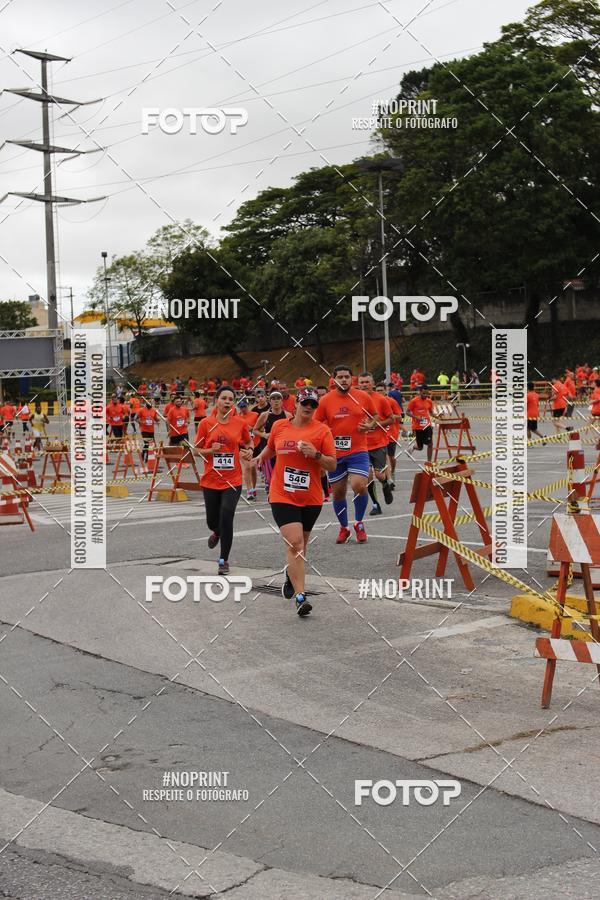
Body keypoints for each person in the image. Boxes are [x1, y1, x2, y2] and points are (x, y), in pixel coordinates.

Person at [253, 387, 336, 617]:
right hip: (282, 494)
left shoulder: (322, 431)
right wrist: (259, 458)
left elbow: (332, 464)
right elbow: (271, 449)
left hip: (311, 496)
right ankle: (301, 597)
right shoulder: (280, 426)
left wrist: (316, 454)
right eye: (305, 403)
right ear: (295, 405)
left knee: (301, 546)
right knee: (295, 544)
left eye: (313, 404)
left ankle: (291, 575)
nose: (309, 407)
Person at [314, 365, 377, 544]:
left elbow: (375, 415)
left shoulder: (362, 397)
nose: (343, 380)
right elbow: (317, 423)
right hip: (335, 453)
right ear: (333, 380)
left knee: (359, 486)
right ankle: (344, 528)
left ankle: (358, 523)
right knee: (339, 493)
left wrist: (370, 425)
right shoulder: (325, 400)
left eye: (347, 377)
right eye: (340, 377)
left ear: (352, 379)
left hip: (358, 450)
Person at [194, 386, 253, 575]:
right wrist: (211, 450)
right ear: (216, 401)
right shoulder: (205, 423)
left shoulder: (240, 423)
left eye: (230, 399)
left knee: (227, 515)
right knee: (213, 521)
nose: (227, 401)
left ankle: (223, 560)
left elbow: (248, 442)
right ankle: (216, 532)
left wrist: (249, 450)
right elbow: (196, 450)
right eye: (224, 398)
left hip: (232, 480)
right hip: (211, 479)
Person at [357, 372, 394, 516]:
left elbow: (391, 419)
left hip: (378, 443)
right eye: (362, 382)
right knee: (367, 476)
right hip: (361, 445)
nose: (364, 385)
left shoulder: (381, 399)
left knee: (379, 475)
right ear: (358, 384)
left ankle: (385, 484)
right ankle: (375, 504)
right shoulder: (355, 399)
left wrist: (376, 424)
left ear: (373, 383)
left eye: (367, 382)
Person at [253, 390, 292, 491]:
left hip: (283, 449)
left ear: (282, 401)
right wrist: (264, 435)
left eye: (278, 398)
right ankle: (270, 490)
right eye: (273, 399)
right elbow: (255, 430)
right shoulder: (265, 415)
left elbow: (295, 430)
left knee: (283, 474)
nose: (276, 401)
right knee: (270, 477)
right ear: (270, 401)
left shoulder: (288, 415)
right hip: (268, 448)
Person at [406, 385, 437, 462]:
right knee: (420, 447)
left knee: (430, 444)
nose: (425, 395)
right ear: (420, 392)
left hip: (427, 425)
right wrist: (416, 417)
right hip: (417, 427)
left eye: (427, 394)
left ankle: (429, 462)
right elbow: (407, 412)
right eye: (424, 393)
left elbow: (431, 412)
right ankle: (413, 447)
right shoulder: (414, 401)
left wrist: (437, 416)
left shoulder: (429, 401)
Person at [237, 397, 259, 500]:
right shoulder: (236, 418)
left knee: (253, 468)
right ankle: (249, 491)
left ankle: (253, 488)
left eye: (244, 406)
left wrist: (252, 428)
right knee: (247, 466)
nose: (243, 409)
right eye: (241, 407)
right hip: (242, 446)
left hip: (255, 445)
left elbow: (261, 428)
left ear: (248, 406)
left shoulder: (255, 415)